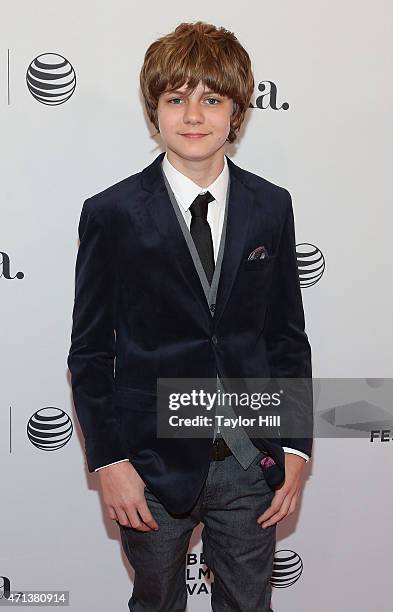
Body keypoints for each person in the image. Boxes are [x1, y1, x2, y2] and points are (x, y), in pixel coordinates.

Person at [67, 20, 313, 612]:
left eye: (212, 98)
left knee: (249, 605)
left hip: (250, 460)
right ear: (155, 113)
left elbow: (286, 337)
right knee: (155, 604)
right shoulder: (112, 213)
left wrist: (298, 450)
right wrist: (110, 463)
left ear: (238, 112)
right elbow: (91, 352)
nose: (194, 115)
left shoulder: (270, 205)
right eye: (176, 99)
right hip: (148, 465)